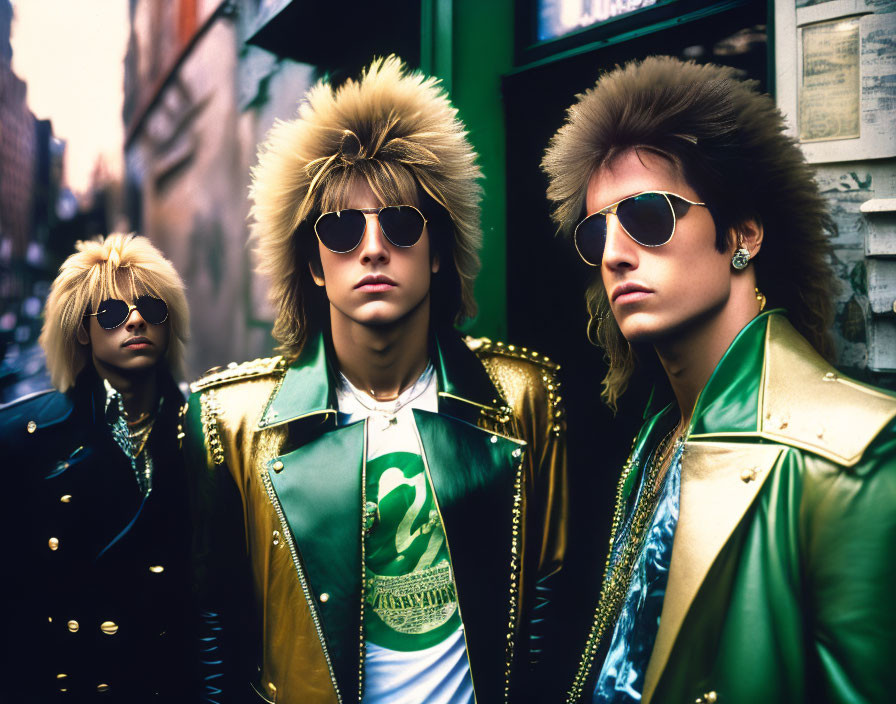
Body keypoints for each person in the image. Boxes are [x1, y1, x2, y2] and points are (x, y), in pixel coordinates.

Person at [182, 56, 567, 704]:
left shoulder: (522, 398)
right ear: (311, 264)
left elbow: (547, 608)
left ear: (439, 251)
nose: (372, 247)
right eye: (340, 228)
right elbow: (214, 629)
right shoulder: (234, 421)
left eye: (401, 222)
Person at [541, 56, 896, 704]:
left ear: (743, 233)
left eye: (649, 215)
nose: (616, 254)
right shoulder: (657, 440)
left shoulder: (855, 453)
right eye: (598, 231)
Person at [0, 233, 196, 701]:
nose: (134, 319)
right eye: (111, 312)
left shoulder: (208, 432)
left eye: (152, 309)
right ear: (82, 331)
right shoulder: (21, 439)